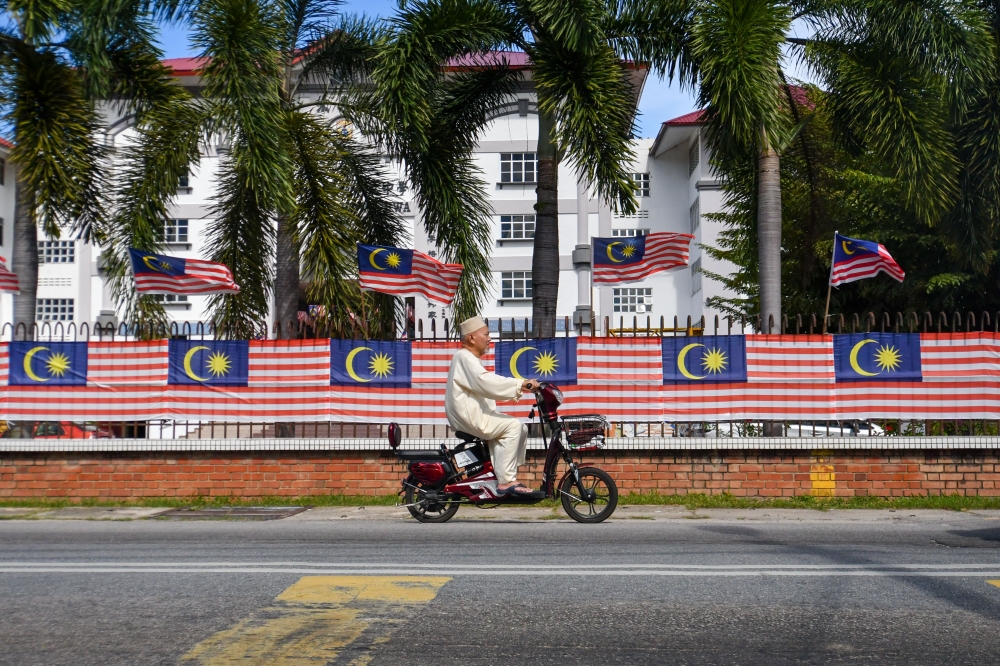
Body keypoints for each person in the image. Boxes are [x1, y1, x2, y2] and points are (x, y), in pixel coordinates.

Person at [446, 316, 542, 498]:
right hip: (471, 416)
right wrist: (520, 384)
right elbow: (485, 382)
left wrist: (518, 386)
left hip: (474, 414)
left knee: (517, 427)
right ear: (472, 338)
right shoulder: (464, 357)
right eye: (486, 334)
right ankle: (506, 482)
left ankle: (503, 475)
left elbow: (484, 384)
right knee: (513, 426)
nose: (490, 338)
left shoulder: (467, 358)